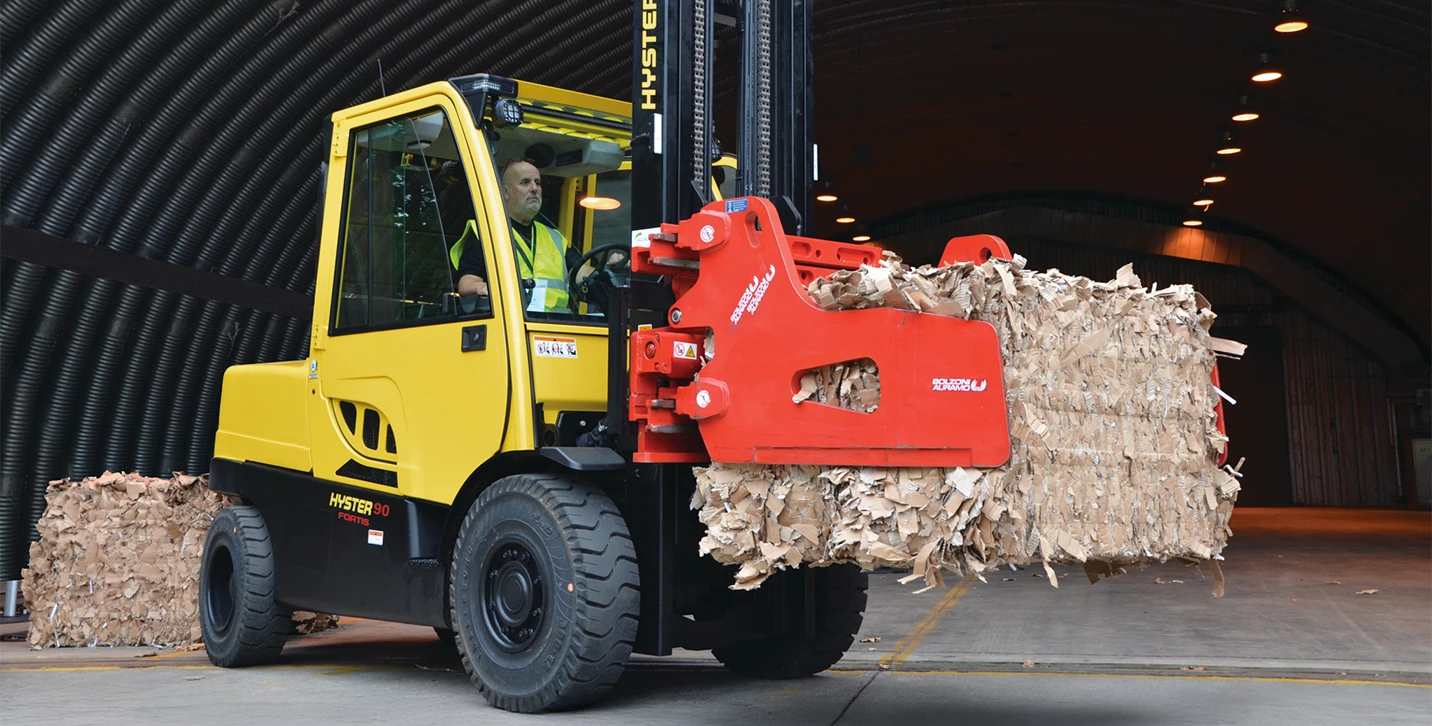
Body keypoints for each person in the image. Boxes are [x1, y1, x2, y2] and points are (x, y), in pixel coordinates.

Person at [456, 159, 584, 313]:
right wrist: (482, 288)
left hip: (558, 328)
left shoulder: (554, 237)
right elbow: (467, 282)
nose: (534, 188)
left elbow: (583, 274)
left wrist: (612, 267)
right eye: (525, 182)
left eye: (538, 182)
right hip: (511, 323)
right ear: (505, 192)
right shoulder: (486, 231)